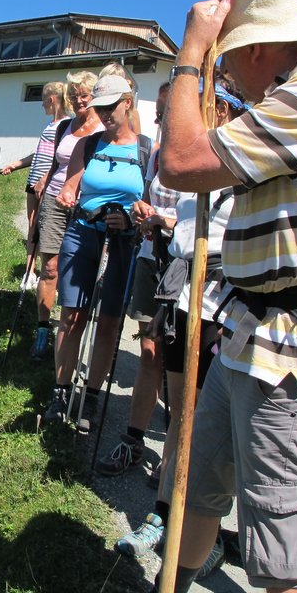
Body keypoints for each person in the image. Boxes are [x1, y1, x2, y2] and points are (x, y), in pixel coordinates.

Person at [109, 0, 297, 593]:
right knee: (198, 485)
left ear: (256, 48)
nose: (226, 79)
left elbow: (182, 160)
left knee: (285, 557)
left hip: (291, 360)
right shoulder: (284, 97)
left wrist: (192, 53)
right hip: (245, 335)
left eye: (230, 62)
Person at [113, 77, 249, 568]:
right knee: (181, 412)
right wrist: (163, 226)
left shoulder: (246, 163)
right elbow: (187, 228)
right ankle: (165, 513)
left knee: (208, 421)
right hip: (184, 294)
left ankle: (205, 529)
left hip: (224, 306)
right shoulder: (198, 169)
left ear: (226, 112)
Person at [45, 75, 150, 429]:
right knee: (71, 317)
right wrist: (66, 196)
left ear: (128, 103)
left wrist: (132, 220)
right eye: (99, 107)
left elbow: (149, 204)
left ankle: (91, 397)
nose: (103, 114)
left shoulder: (147, 151)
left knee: (108, 324)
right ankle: (60, 392)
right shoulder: (87, 146)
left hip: (122, 243)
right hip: (83, 234)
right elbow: (70, 187)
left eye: (110, 107)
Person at [96, 82, 178, 475]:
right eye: (159, 113)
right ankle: (133, 440)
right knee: (149, 351)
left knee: (176, 362)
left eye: (166, 112)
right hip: (150, 259)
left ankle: (176, 453)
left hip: (182, 266)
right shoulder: (158, 155)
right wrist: (137, 217)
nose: (159, 119)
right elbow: (146, 201)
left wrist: (166, 222)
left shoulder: (205, 152)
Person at [25, 72, 103, 360]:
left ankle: (71, 332)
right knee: (51, 268)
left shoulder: (104, 129)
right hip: (55, 203)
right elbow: (58, 161)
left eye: (84, 94)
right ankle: (42, 331)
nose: (79, 100)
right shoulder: (64, 127)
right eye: (74, 95)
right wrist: (45, 178)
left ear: (96, 96)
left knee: (79, 273)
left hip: (86, 206)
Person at [0, 82, 69, 340]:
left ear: (53, 98)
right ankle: (30, 273)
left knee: (42, 231)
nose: (41, 103)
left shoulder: (66, 125)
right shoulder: (50, 125)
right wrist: (16, 164)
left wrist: (45, 182)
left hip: (46, 185)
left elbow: (58, 159)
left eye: (43, 98)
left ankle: (40, 276)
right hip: (34, 181)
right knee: (32, 227)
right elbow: (39, 154)